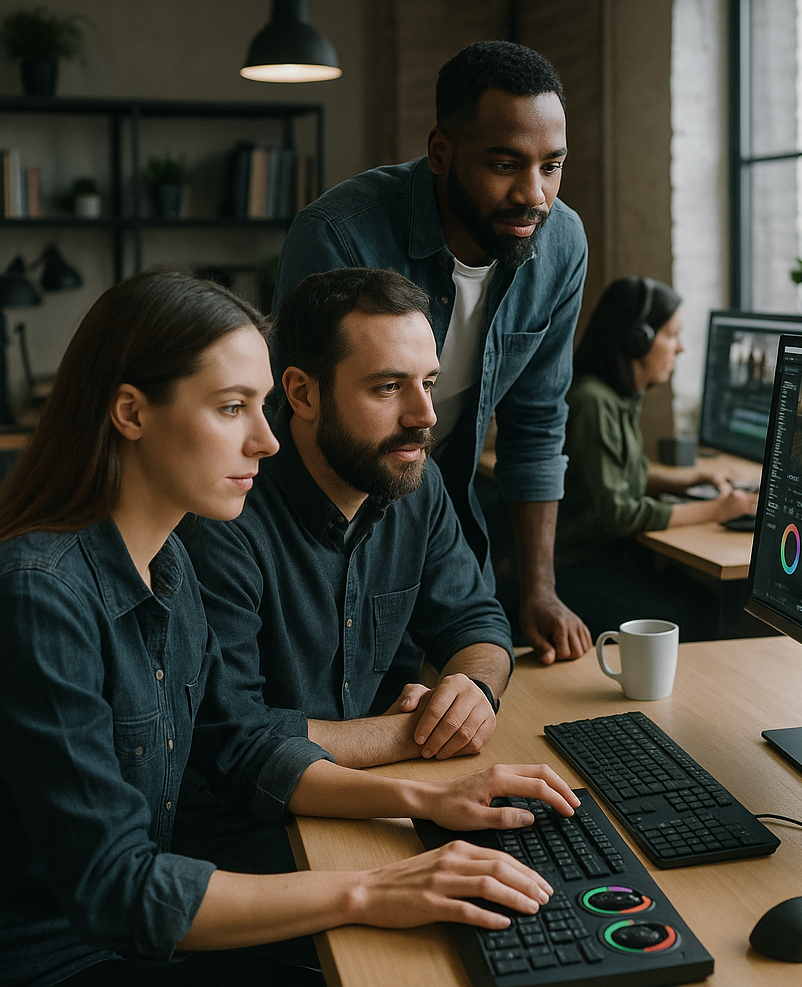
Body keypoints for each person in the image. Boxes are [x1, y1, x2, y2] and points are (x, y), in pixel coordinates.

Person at [0, 270, 578, 987]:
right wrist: (368, 889)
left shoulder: (167, 561)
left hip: (148, 932)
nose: (268, 441)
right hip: (63, 959)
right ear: (131, 412)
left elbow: (237, 750)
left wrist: (424, 800)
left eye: (262, 406)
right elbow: (119, 889)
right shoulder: (40, 593)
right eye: (232, 408)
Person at [172, 267, 519, 875]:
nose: (424, 416)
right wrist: (411, 733)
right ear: (302, 394)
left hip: (373, 803)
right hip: (240, 836)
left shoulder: (416, 481)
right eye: (388, 388)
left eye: (429, 383)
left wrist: (473, 690)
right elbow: (233, 737)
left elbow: (475, 618)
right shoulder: (225, 509)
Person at [272, 40, 590, 667]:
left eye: (551, 166)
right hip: (320, 524)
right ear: (440, 152)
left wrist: (540, 588)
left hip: (442, 522)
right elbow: (301, 416)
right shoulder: (340, 234)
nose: (535, 195)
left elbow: (537, 422)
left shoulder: (561, 245)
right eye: (506, 164)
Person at [555, 276, 756, 637]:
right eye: (672, 335)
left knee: (707, 600)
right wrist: (717, 509)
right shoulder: (592, 402)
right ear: (637, 340)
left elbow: (617, 475)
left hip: (606, 559)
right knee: (705, 612)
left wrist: (688, 480)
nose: (680, 349)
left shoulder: (618, 397)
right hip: (578, 567)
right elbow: (620, 514)